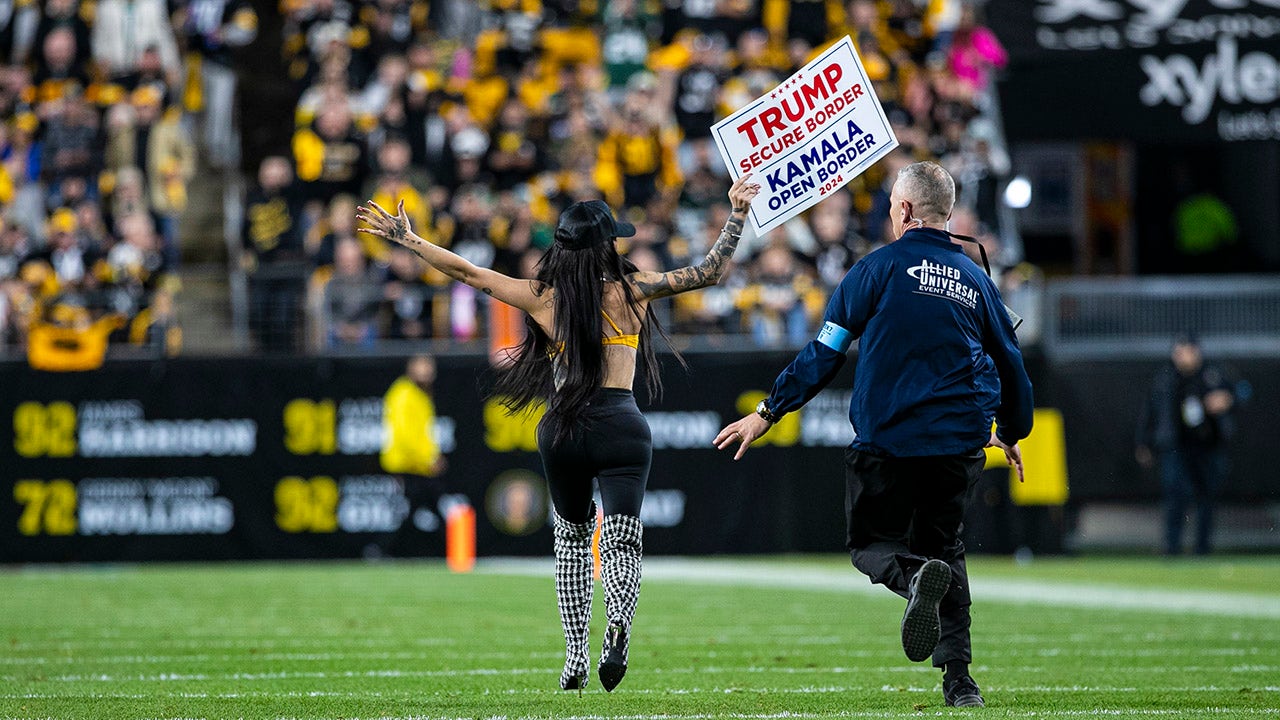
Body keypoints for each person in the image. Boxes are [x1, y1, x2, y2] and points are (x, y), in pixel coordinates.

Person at [358, 173, 761, 693]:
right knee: (622, 542)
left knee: (570, 542)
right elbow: (710, 271)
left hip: (564, 427)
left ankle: (575, 656)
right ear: (603, 246)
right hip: (621, 422)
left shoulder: (542, 297)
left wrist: (407, 238)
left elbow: (469, 273)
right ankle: (619, 621)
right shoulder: (633, 290)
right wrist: (736, 213)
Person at [714, 161, 1032, 709]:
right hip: (957, 446)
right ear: (947, 214)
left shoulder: (874, 270)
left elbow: (825, 353)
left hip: (888, 442)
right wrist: (1011, 429)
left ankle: (913, 582)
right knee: (948, 551)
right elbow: (1011, 363)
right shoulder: (978, 279)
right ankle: (960, 683)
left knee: (869, 546)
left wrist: (769, 411)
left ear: (903, 210)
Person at [1136, 334, 1236, 556]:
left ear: (1196, 352)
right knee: (1174, 494)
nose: (1182, 357)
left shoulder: (1213, 374)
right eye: (1178, 352)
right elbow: (1150, 410)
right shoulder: (1166, 378)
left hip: (1208, 445)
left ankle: (1203, 547)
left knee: (1206, 496)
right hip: (1175, 446)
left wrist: (1227, 399)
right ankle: (1172, 547)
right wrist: (1143, 441)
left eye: (1186, 352)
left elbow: (1243, 392)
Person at [377, 353, 447, 557]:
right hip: (409, 464)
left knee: (418, 507)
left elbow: (422, 433)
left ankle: (383, 549)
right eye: (422, 367)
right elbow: (406, 435)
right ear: (411, 368)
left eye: (429, 367)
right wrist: (428, 459)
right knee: (418, 507)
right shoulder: (404, 394)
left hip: (417, 464)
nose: (427, 372)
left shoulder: (418, 394)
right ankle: (382, 549)